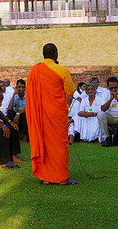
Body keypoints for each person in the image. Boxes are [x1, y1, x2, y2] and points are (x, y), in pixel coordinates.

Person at [26, 43, 78, 185]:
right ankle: (62, 178)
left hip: (40, 114)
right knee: (59, 144)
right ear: (56, 54)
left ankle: (45, 177)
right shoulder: (62, 70)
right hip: (56, 114)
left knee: (44, 142)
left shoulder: (34, 71)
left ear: (44, 55)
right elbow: (70, 91)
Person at [98, 77, 118, 147]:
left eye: (115, 87)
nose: (113, 90)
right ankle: (107, 138)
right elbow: (102, 108)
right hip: (110, 117)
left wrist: (117, 99)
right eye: (111, 88)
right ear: (107, 87)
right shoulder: (106, 93)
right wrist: (111, 99)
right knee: (100, 114)